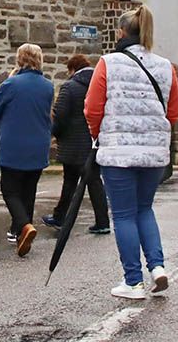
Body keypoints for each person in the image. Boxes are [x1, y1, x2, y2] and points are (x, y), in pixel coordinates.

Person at [84, 5, 178, 300]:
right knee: (144, 209)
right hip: (153, 154)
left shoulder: (108, 63)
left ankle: (133, 281)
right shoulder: (166, 66)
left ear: (121, 32)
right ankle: (158, 266)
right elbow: (174, 112)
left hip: (118, 154)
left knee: (124, 215)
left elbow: (92, 108)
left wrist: (98, 134)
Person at [0, 43, 55, 257]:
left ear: (20, 59)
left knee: (9, 189)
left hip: (14, 144)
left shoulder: (12, 83)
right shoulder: (48, 86)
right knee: (29, 190)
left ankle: (24, 225)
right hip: (39, 143)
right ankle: (21, 235)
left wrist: (9, 79)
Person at [43, 54, 109, 234]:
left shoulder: (69, 87)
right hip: (94, 142)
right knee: (95, 182)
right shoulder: (99, 86)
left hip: (73, 145)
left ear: (72, 69)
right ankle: (103, 221)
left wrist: (53, 133)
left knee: (70, 182)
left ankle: (60, 217)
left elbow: (60, 116)